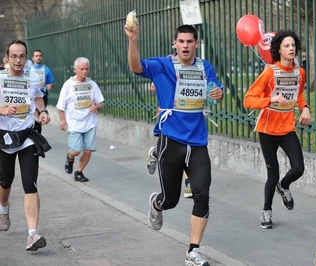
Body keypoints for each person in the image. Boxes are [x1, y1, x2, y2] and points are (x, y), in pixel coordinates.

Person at [125, 22, 223, 266]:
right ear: (175, 43)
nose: (186, 45)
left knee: (202, 194)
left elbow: (214, 89)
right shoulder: (163, 65)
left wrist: (218, 93)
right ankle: (157, 204)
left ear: (196, 44)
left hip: (198, 142)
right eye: (181, 41)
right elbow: (136, 66)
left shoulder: (204, 66)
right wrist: (133, 40)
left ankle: (193, 251)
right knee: (172, 200)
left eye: (190, 41)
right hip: (172, 140)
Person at [243, 29, 311, 229]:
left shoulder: (300, 72)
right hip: (267, 129)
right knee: (272, 175)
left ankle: (285, 185)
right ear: (279, 50)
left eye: (293, 45)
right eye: (286, 46)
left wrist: (305, 107)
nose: (291, 49)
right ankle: (266, 212)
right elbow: (248, 100)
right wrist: (270, 99)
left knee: (298, 168)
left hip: (287, 127)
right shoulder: (270, 72)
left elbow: (298, 95)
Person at [0, 39, 51, 251]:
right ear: (7, 58)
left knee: (30, 183)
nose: (18, 60)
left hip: (28, 134)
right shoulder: (0, 78)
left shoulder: (33, 78)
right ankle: (3, 209)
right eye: (14, 56)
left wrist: (43, 111)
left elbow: (38, 98)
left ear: (26, 57)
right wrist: (2, 110)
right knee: (6, 181)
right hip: (4, 137)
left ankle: (32, 234)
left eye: (22, 56)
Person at [56, 57, 104, 182]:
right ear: (75, 69)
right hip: (74, 123)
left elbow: (101, 103)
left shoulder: (92, 84)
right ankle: (70, 156)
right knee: (76, 150)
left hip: (90, 123)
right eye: (81, 69)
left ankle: (79, 172)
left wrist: (97, 106)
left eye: (86, 69)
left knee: (88, 151)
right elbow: (60, 106)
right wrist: (62, 120)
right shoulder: (68, 85)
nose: (84, 71)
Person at [146, 82, 192, 198]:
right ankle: (155, 153)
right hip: (169, 114)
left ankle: (189, 184)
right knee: (169, 148)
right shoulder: (166, 65)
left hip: (187, 113)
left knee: (188, 146)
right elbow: (153, 86)